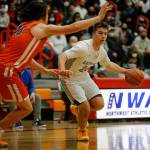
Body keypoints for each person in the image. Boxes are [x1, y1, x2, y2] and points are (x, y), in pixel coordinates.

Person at [0, 1, 111, 146]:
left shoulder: (23, 27)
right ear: (43, 14)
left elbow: (26, 57)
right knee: (26, 108)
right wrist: (98, 18)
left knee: (26, 106)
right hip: (8, 71)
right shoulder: (41, 28)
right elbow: (72, 27)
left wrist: (45, 70)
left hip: (5, 69)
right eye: (48, 12)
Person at [58, 21, 130, 141]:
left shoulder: (101, 51)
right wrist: (62, 70)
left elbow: (109, 65)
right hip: (69, 78)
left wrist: (126, 71)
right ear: (93, 34)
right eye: (100, 33)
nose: (103, 36)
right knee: (85, 106)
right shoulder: (83, 47)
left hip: (84, 76)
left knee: (99, 104)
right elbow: (62, 56)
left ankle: (78, 110)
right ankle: (82, 130)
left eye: (105, 34)